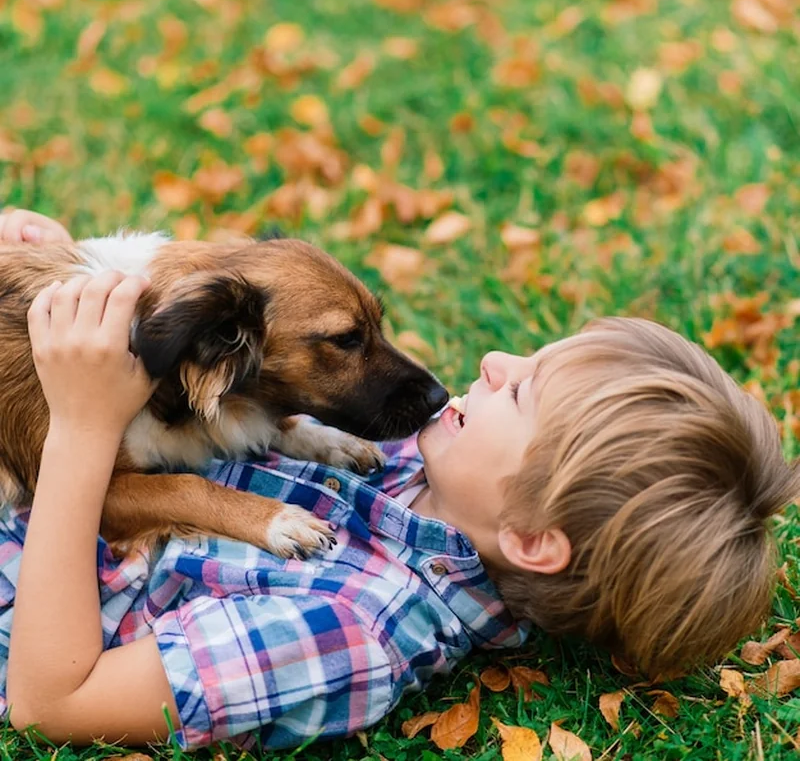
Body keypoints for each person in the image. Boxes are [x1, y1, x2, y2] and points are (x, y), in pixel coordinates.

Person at [0, 208, 797, 751]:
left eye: (520, 390)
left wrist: (79, 427)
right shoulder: (429, 471)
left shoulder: (349, 635)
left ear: (531, 537)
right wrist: (67, 279)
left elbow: (50, 704)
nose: (492, 360)